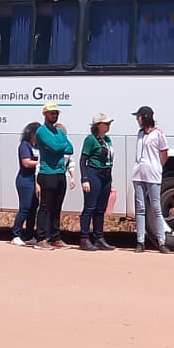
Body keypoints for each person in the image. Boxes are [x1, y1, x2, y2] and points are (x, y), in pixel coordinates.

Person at [33, 102, 76, 249]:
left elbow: (70, 149)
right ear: (45, 114)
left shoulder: (60, 132)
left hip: (60, 173)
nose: (54, 115)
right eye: (52, 113)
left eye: (56, 113)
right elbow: (56, 147)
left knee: (57, 207)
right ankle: (40, 238)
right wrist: (59, 146)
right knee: (45, 207)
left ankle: (55, 237)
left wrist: (59, 146)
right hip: (47, 174)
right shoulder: (41, 131)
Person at [130, 106, 169, 253]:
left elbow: (164, 152)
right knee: (140, 208)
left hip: (153, 175)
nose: (137, 120)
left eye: (138, 117)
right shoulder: (140, 134)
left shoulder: (158, 134)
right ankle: (140, 241)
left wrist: (158, 167)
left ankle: (161, 241)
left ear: (145, 117)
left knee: (156, 208)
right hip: (138, 174)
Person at [79, 113, 115, 251]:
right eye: (106, 123)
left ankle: (99, 238)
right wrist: (85, 179)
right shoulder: (90, 139)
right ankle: (84, 238)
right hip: (94, 173)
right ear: (98, 125)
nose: (108, 125)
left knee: (101, 208)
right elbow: (83, 160)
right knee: (90, 207)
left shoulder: (107, 139)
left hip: (106, 175)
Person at [11, 122, 41, 246]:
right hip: (25, 180)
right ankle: (15, 234)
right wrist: (41, 162)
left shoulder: (39, 146)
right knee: (25, 208)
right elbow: (26, 162)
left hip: (36, 180)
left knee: (34, 208)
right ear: (31, 133)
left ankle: (29, 235)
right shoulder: (25, 145)